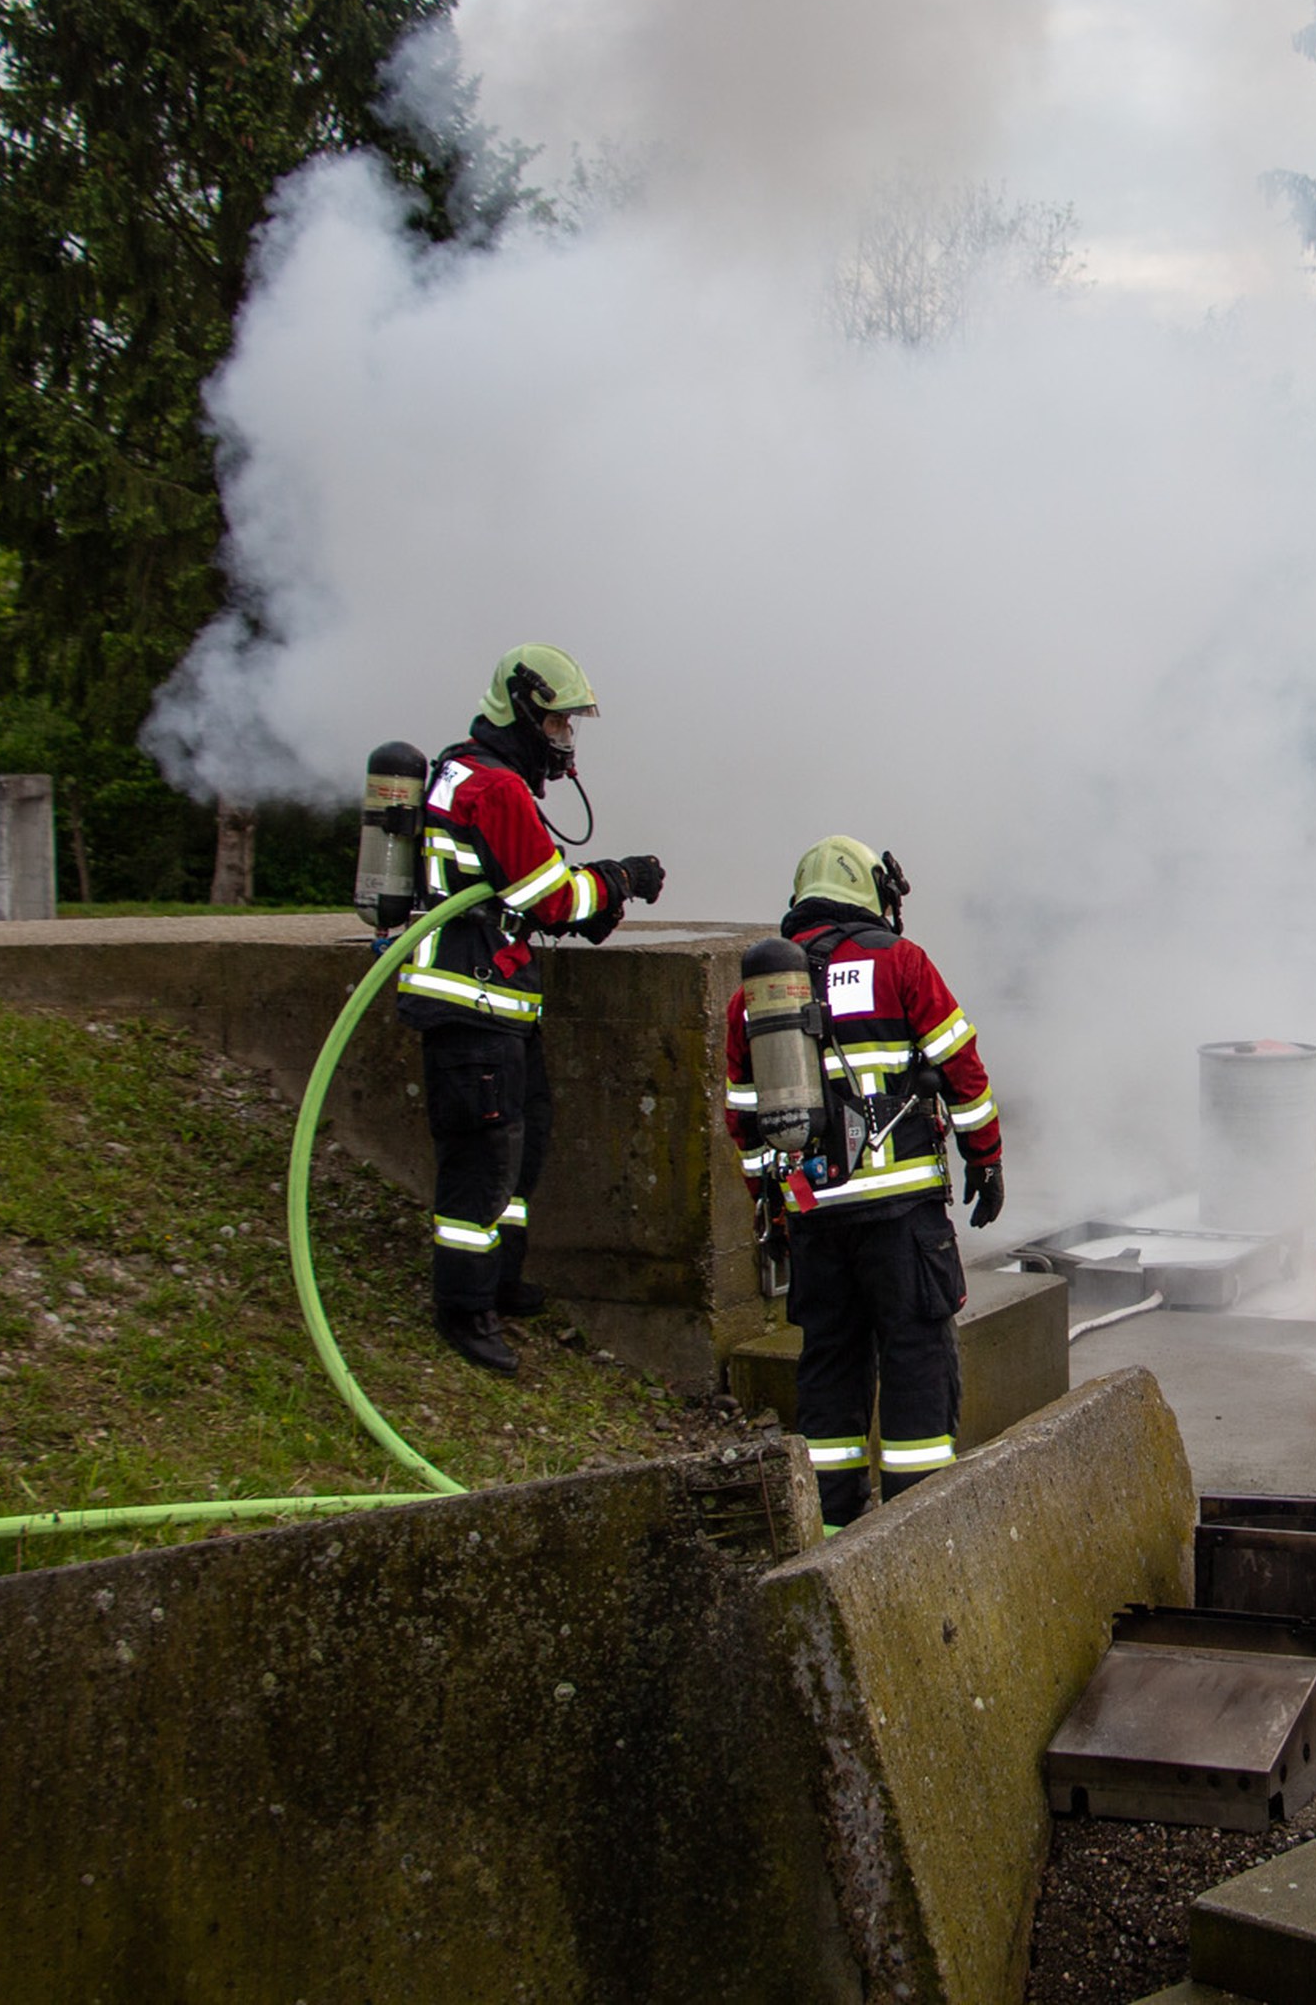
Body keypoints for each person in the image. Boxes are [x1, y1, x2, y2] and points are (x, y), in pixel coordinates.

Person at [396, 643, 662, 1374]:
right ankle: (464, 1309)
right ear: (521, 710)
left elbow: (516, 889)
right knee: (480, 1162)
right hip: (470, 1006)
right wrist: (622, 879)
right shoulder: (496, 789)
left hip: (499, 1003)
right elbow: (549, 897)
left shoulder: (469, 771)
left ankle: (500, 1280)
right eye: (556, 723)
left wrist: (589, 899)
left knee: (523, 1144)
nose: (564, 738)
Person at [722, 837, 1003, 1530]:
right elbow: (961, 1068)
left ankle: (832, 1531)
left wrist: (773, 1208)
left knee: (829, 1363)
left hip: (814, 1217)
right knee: (915, 1356)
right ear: (872, 891)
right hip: (900, 1215)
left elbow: (744, 1119)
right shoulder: (899, 962)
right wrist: (985, 1158)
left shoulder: (755, 997)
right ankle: (916, 1531)